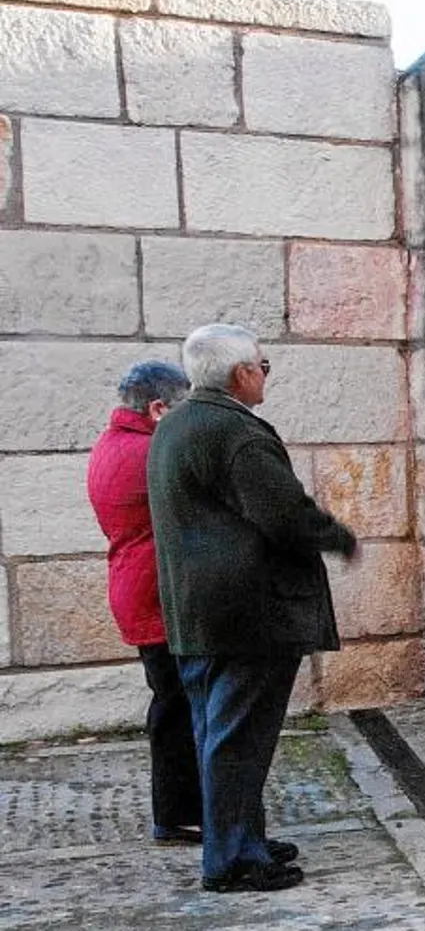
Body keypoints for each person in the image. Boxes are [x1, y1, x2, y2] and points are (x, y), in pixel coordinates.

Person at [148, 324, 357, 893]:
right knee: (238, 738)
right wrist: (337, 536)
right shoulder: (235, 433)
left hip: (198, 612)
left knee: (216, 732)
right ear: (242, 373)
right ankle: (233, 859)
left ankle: (240, 838)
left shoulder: (177, 424)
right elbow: (285, 513)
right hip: (247, 614)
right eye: (264, 366)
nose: (266, 375)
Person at [87, 361, 204, 847]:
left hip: (137, 586)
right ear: (158, 409)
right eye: (184, 407)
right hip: (157, 593)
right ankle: (179, 816)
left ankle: (180, 812)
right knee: (177, 707)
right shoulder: (148, 452)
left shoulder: (111, 444)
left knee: (171, 701)